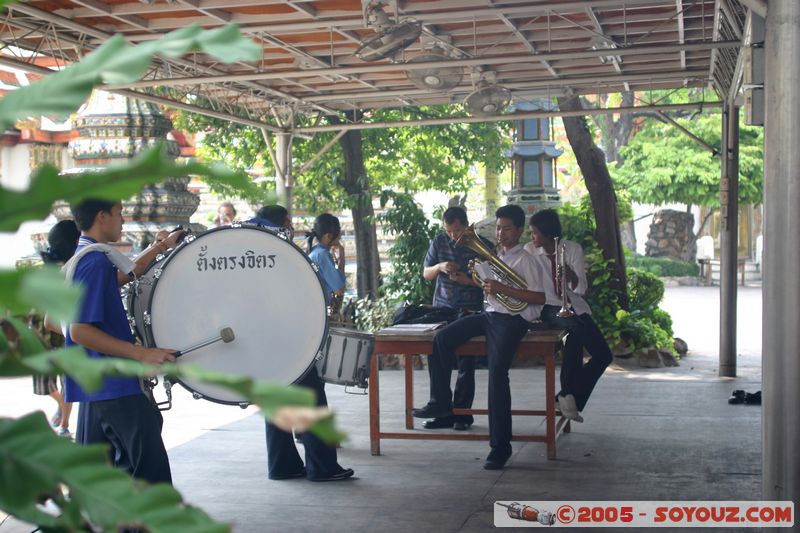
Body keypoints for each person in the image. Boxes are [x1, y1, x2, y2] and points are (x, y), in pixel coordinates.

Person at [413, 205, 546, 470]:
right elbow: (493, 288)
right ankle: (440, 403)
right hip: (489, 314)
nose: (501, 233)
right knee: (442, 339)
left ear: (519, 230)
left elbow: (539, 298)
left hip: (512, 320)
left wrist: (500, 287)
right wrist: (475, 280)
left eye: (506, 228)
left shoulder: (528, 260)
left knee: (497, 375)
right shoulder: (496, 254)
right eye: (498, 228)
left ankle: (500, 447)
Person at [65, 198, 184, 484]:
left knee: (113, 476)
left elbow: (125, 274)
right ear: (101, 216)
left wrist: (160, 247)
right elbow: (78, 330)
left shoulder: (82, 257)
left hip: (98, 383)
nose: (123, 221)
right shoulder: (93, 263)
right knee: (150, 474)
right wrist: (141, 354)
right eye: (119, 214)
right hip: (113, 384)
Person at [257, 211, 353, 482]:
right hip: (290, 333)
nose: (292, 228)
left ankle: (283, 464)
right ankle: (322, 467)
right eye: (288, 223)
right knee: (311, 393)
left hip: (263, 336)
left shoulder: (255, 251)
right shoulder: (282, 251)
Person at [525, 209, 613, 423]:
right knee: (574, 329)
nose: (532, 237)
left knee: (604, 356)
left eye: (535, 233)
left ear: (547, 234)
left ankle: (566, 396)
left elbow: (581, 288)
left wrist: (571, 276)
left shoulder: (572, 249)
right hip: (547, 306)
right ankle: (567, 396)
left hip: (575, 306)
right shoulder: (529, 251)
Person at [420, 206, 489, 431]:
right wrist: (439, 267)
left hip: (470, 309)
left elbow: (493, 283)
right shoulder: (439, 242)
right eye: (449, 231)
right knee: (437, 359)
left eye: (457, 230)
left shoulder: (482, 245)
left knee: (466, 364)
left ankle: (463, 414)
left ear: (467, 225)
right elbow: (426, 273)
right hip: (443, 308)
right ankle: (442, 410)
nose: (453, 235)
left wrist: (467, 280)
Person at [32, 220, 81, 438]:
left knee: (66, 385)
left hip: (54, 340)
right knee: (53, 386)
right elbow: (49, 321)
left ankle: (64, 423)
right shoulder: (71, 271)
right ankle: (62, 410)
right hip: (53, 338)